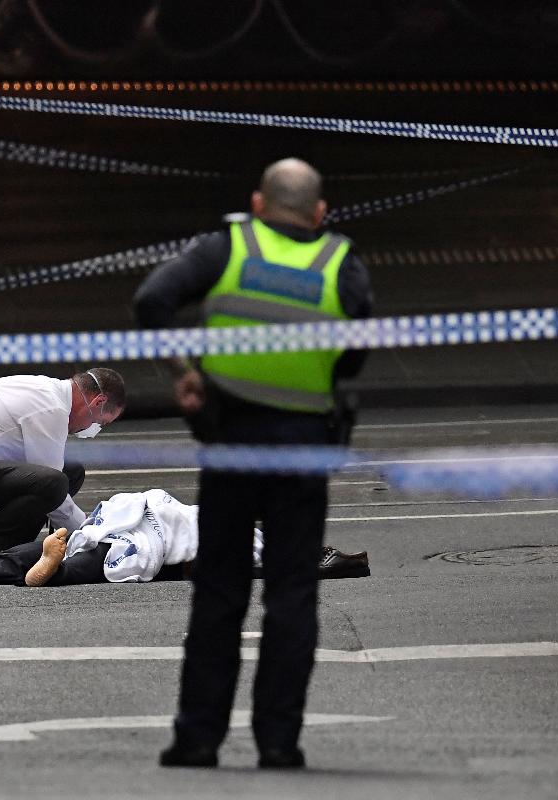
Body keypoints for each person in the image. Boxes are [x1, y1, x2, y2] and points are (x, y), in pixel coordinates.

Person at [133, 157, 373, 770]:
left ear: (259, 204)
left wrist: (183, 375)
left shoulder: (228, 247)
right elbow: (355, 351)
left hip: (231, 443)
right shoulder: (340, 263)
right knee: (293, 595)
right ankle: (279, 742)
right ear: (320, 213)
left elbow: (152, 298)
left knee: (219, 592)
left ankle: (197, 739)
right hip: (301, 449)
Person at [0, 489, 370, 588]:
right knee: (59, 549)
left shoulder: (258, 549)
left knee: (67, 556)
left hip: (149, 546)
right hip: (135, 530)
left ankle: (40, 569)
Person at [0, 368, 126, 565]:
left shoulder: (47, 392)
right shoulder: (50, 407)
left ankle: (11, 548)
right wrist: (92, 535)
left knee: (71, 471)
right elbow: (53, 487)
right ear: (98, 402)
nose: (93, 430)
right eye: (102, 423)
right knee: (54, 482)